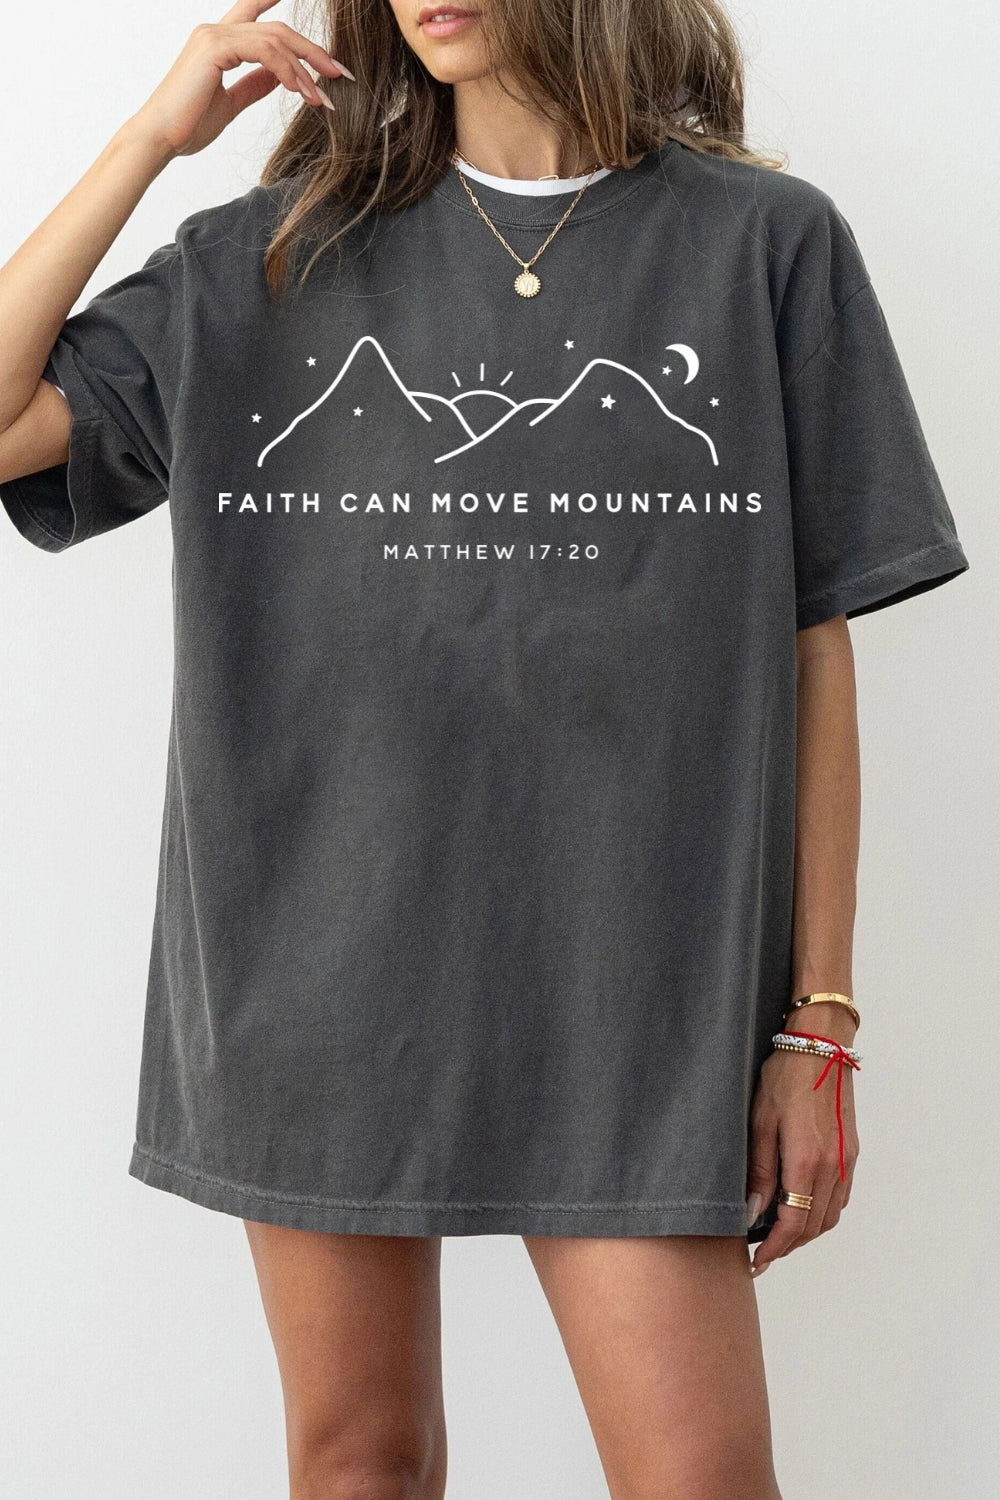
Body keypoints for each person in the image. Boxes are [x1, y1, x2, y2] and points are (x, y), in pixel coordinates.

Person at [0, 1, 970, 1496]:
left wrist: (819, 1019)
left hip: (636, 998)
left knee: (700, 1478)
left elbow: (812, 642)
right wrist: (149, 140)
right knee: (359, 1464)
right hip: (317, 970)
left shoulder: (762, 245)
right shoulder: (268, 254)